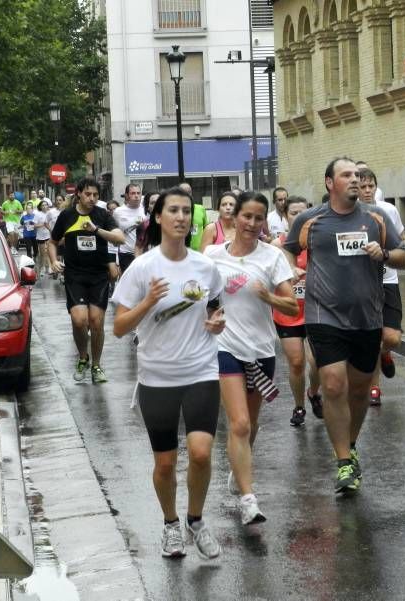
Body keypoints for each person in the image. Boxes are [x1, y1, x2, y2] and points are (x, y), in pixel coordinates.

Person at [112, 187, 226, 560]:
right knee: (165, 463)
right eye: (172, 210)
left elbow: (214, 307)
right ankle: (171, 524)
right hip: (157, 377)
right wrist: (148, 301)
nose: (180, 217)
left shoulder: (205, 266)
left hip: (201, 370)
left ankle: (196, 518)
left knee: (201, 453)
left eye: (186, 211)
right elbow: (119, 327)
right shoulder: (142, 269)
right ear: (157, 217)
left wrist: (216, 321)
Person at [283, 157, 405, 494]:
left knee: (359, 389)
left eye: (357, 175)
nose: (355, 180)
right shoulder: (311, 220)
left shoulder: (376, 218)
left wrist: (383, 253)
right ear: (329, 183)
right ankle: (342, 462)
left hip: (367, 316)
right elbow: (287, 250)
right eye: (347, 175)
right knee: (334, 384)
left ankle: (350, 445)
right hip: (324, 315)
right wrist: (290, 271)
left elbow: (404, 256)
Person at [204, 191, 298, 525]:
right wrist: (209, 317)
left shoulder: (271, 257)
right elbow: (200, 294)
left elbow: (291, 305)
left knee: (251, 425)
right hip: (225, 347)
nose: (253, 224)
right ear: (234, 217)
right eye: (247, 217)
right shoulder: (213, 254)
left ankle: (238, 469)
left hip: (260, 350)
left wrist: (268, 295)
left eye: (260, 218)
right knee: (239, 423)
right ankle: (248, 499)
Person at [48, 176, 125, 384]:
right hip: (74, 275)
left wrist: (97, 230)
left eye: (96, 195)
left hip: (99, 275)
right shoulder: (66, 216)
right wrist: (54, 261)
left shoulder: (102, 215)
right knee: (79, 319)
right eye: (88, 194)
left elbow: (120, 238)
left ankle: (96, 365)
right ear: (79, 194)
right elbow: (52, 242)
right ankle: (83, 356)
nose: (92, 198)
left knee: (96, 321)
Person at [272, 195, 322, 426]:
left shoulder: (318, 240)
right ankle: (299, 406)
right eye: (293, 213)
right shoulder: (277, 245)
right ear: (285, 216)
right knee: (296, 362)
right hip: (288, 312)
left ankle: (314, 392)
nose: (299, 218)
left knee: (318, 361)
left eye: (303, 213)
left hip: (315, 310)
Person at [357, 168, 405, 406]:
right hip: (363, 284)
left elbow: (402, 243)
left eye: (370, 186)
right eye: (362, 187)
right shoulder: (350, 214)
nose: (367, 191)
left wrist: (386, 252)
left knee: (392, 338)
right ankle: (374, 387)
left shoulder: (388, 211)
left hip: (388, 280)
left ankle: (386, 353)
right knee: (374, 338)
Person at [113, 184, 146, 274]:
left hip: (143, 252)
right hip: (125, 254)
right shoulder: (118, 212)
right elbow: (115, 234)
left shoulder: (145, 210)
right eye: (133, 193)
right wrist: (115, 259)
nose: (136, 196)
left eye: (138, 193)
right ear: (127, 195)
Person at [179, 182, 208, 252]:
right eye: (183, 192)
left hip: (200, 252)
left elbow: (207, 229)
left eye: (189, 192)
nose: (186, 195)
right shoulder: (175, 212)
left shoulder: (201, 208)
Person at [34, 200, 51, 276]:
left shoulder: (50, 213)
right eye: (43, 205)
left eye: (46, 205)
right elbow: (34, 225)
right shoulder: (38, 214)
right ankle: (42, 268)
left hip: (49, 235)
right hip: (40, 236)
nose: (44, 206)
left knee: (48, 252)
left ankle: (49, 267)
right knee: (42, 253)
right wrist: (42, 225)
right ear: (40, 207)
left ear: (48, 206)